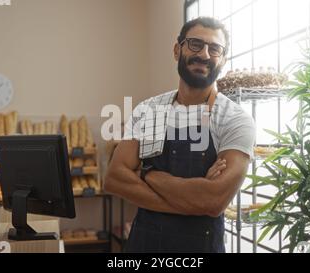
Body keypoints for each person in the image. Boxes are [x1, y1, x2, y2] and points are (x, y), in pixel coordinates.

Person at [104, 17, 256, 253]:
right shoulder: (151, 111)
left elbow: (214, 201)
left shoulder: (234, 119)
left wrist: (147, 173)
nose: (204, 54)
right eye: (195, 44)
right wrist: (194, 200)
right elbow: (115, 179)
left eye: (214, 48)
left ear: (223, 60)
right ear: (177, 50)